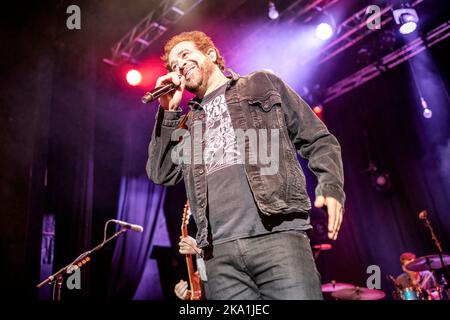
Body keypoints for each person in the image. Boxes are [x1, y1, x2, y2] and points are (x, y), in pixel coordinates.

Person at [146, 31, 345, 300]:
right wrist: (168, 112)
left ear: (211, 54)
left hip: (277, 236)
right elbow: (161, 173)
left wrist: (331, 185)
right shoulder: (187, 123)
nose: (178, 65)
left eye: (184, 55)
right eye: (172, 65)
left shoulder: (260, 84)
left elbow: (318, 138)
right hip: (218, 255)